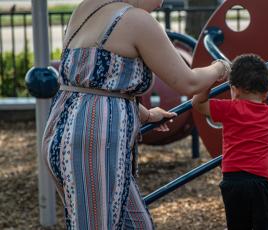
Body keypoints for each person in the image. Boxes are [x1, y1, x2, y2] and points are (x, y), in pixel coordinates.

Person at [41, 0, 230, 229]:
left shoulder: (85, 8)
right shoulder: (136, 20)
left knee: (137, 225)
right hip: (93, 142)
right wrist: (220, 68)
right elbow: (188, 82)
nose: (161, 4)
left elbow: (92, 85)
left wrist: (145, 115)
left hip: (62, 130)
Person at [192, 54, 268, 230]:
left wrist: (211, 79)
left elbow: (197, 103)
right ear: (266, 93)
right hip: (260, 181)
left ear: (235, 90)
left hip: (232, 182)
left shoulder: (229, 109)